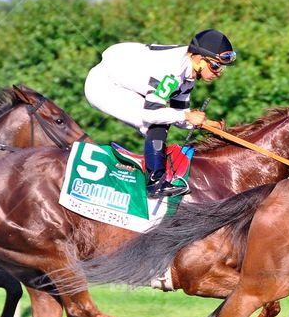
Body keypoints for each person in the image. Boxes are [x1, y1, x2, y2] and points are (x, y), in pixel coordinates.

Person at [84, 29, 235, 199]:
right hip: (103, 85)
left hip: (121, 80)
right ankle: (155, 183)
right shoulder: (173, 72)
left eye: (221, 68)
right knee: (156, 122)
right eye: (215, 65)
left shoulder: (188, 75)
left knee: (164, 117)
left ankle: (154, 176)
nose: (218, 72)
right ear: (199, 59)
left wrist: (205, 124)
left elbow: (179, 114)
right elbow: (152, 115)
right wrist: (188, 117)